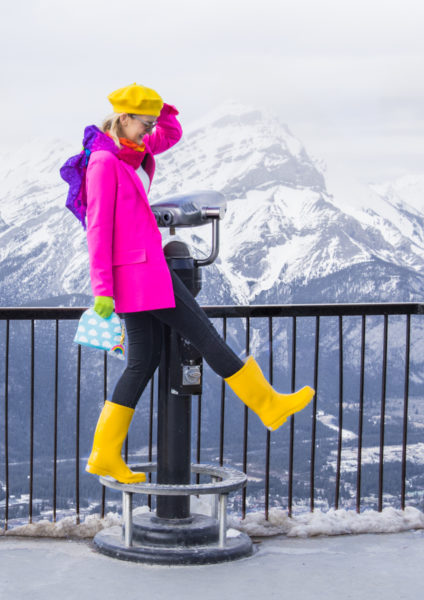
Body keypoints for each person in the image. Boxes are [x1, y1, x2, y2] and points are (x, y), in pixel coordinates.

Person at [61, 83, 314, 485]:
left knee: (143, 362)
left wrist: (161, 110)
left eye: (148, 125)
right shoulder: (104, 164)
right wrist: (102, 289)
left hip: (144, 270)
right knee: (205, 334)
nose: (148, 133)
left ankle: (104, 453)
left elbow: (170, 135)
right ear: (123, 119)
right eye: (143, 124)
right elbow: (97, 228)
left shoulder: (127, 153)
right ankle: (267, 404)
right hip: (139, 275)